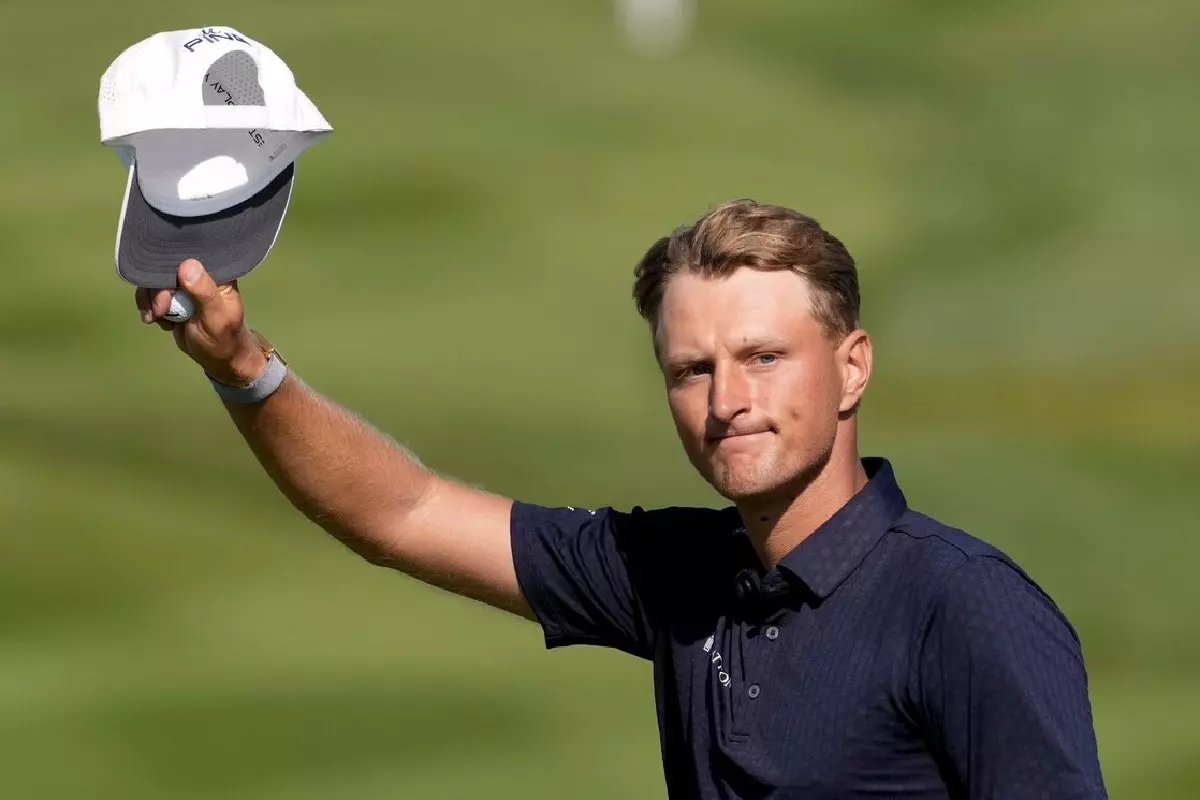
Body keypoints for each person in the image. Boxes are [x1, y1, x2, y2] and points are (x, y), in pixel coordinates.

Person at [136, 199, 1109, 798]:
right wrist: (240, 366)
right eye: (692, 369)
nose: (728, 401)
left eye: (764, 358)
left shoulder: (963, 607)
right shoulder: (678, 572)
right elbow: (403, 513)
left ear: (851, 368)